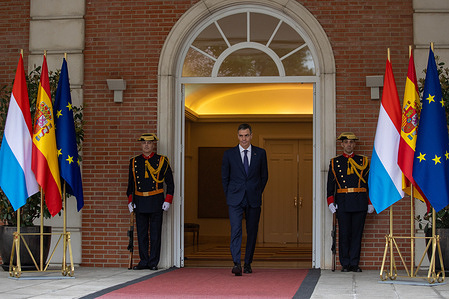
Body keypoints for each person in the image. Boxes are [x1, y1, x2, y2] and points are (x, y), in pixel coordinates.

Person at [221, 123, 269, 276]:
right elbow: (224, 178)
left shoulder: (260, 153)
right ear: (237, 136)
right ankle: (236, 263)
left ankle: (247, 263)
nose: (244, 139)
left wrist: (256, 191)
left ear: (251, 135)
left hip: (253, 198)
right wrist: (230, 194)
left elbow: (264, 176)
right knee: (236, 230)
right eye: (241, 136)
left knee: (252, 231)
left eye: (246, 135)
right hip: (235, 199)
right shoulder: (229, 154)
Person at [327, 132, 374, 273]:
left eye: (351, 142)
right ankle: (345, 264)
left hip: (359, 201)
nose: (348, 144)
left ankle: (354, 263)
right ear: (342, 144)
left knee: (357, 234)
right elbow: (330, 185)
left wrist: (370, 202)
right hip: (343, 202)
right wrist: (330, 201)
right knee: (344, 234)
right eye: (346, 142)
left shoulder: (363, 161)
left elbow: (369, 184)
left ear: (354, 144)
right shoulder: (335, 162)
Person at [126, 133, 174, 270]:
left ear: (153, 145)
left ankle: (153, 262)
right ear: (141, 145)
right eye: (144, 143)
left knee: (155, 234)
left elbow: (170, 183)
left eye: (149, 143)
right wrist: (130, 201)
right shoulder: (134, 162)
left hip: (156, 201)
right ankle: (143, 261)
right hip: (140, 201)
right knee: (141, 234)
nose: (146, 145)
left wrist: (168, 200)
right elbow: (131, 184)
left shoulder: (162, 161)